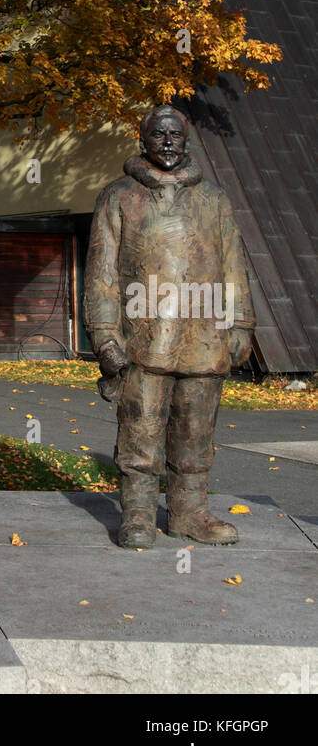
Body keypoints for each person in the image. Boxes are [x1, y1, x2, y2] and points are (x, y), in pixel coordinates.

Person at [84, 103, 255, 549]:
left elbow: (234, 266)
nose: (167, 142)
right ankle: (138, 515)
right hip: (144, 340)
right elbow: (101, 274)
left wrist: (240, 322)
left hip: (204, 338)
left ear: (186, 139)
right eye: (158, 134)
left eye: (174, 134)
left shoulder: (214, 198)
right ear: (143, 140)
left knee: (196, 433)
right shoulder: (119, 195)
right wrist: (104, 336)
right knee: (140, 431)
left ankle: (189, 513)